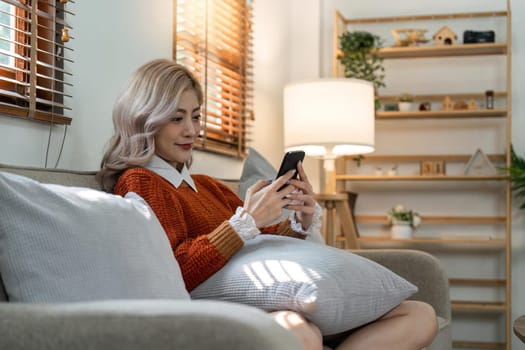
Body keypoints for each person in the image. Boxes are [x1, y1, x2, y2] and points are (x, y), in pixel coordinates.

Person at [97, 58, 438, 350]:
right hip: (215, 307)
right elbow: (175, 269)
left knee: (419, 315)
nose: (191, 130)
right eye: (176, 118)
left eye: (196, 117)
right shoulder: (141, 182)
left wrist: (301, 220)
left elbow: (266, 243)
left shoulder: (207, 186)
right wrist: (244, 222)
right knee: (300, 331)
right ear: (145, 119)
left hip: (267, 298)